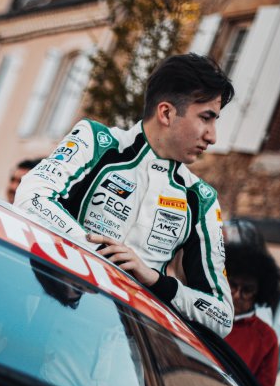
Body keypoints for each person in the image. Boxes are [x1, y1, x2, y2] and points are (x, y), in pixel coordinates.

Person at [13, 53, 235, 337]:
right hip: (42, 325)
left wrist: (155, 281)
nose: (212, 136)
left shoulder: (200, 198)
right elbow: (31, 196)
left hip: (124, 354)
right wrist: (97, 255)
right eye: (206, 118)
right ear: (166, 113)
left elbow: (222, 316)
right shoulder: (96, 141)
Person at [223, 242, 280, 386]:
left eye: (247, 290)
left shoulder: (266, 337)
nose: (237, 295)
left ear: (259, 293)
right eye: (233, 285)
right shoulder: (202, 309)